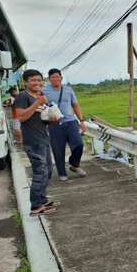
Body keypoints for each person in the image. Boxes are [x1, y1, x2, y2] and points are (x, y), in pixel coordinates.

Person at [14, 70, 61, 216]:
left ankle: (42, 200)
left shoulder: (39, 96)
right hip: (33, 142)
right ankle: (35, 207)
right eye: (33, 80)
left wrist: (53, 120)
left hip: (43, 139)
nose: (37, 83)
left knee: (47, 172)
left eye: (40, 80)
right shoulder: (23, 96)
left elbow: (41, 120)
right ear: (26, 82)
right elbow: (21, 117)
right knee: (39, 174)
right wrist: (38, 103)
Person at [42, 68, 87, 181]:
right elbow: (40, 107)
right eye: (53, 77)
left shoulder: (68, 90)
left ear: (61, 78)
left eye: (58, 77)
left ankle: (75, 165)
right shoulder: (44, 91)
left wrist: (81, 121)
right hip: (54, 124)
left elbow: (75, 105)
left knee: (78, 144)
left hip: (71, 122)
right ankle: (62, 172)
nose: (55, 79)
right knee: (58, 149)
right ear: (49, 79)